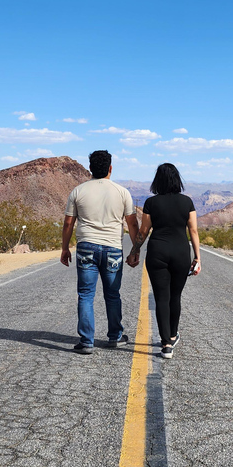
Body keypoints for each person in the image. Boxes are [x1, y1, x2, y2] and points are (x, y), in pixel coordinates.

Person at [61, 150, 139, 354]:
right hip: (113, 247)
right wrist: (135, 250)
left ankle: (86, 341)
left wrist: (64, 248)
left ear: (90, 169)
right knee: (112, 294)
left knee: (86, 294)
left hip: (86, 247)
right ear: (110, 168)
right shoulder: (122, 192)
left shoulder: (78, 191)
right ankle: (115, 336)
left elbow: (69, 223)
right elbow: (132, 224)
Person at [126, 163, 200, 359]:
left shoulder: (151, 203)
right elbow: (193, 231)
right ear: (177, 180)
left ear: (157, 180)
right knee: (175, 296)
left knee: (161, 297)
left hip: (157, 252)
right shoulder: (187, 202)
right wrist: (197, 258)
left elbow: (143, 232)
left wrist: (134, 251)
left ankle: (166, 343)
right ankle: (173, 335)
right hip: (180, 253)